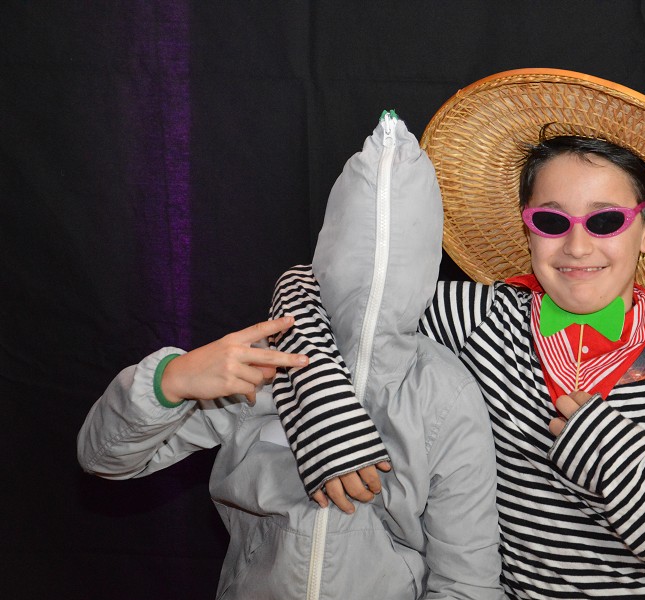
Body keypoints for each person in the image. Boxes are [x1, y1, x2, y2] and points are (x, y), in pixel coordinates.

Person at [275, 70, 645, 599]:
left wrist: (623, 467)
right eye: (552, 221)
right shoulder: (478, 320)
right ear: (527, 227)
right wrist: (321, 409)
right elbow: (319, 288)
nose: (578, 247)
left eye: (606, 221)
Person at [77, 112, 503, 599]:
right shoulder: (259, 363)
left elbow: (466, 580)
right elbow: (104, 459)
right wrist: (170, 380)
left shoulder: (444, 393)